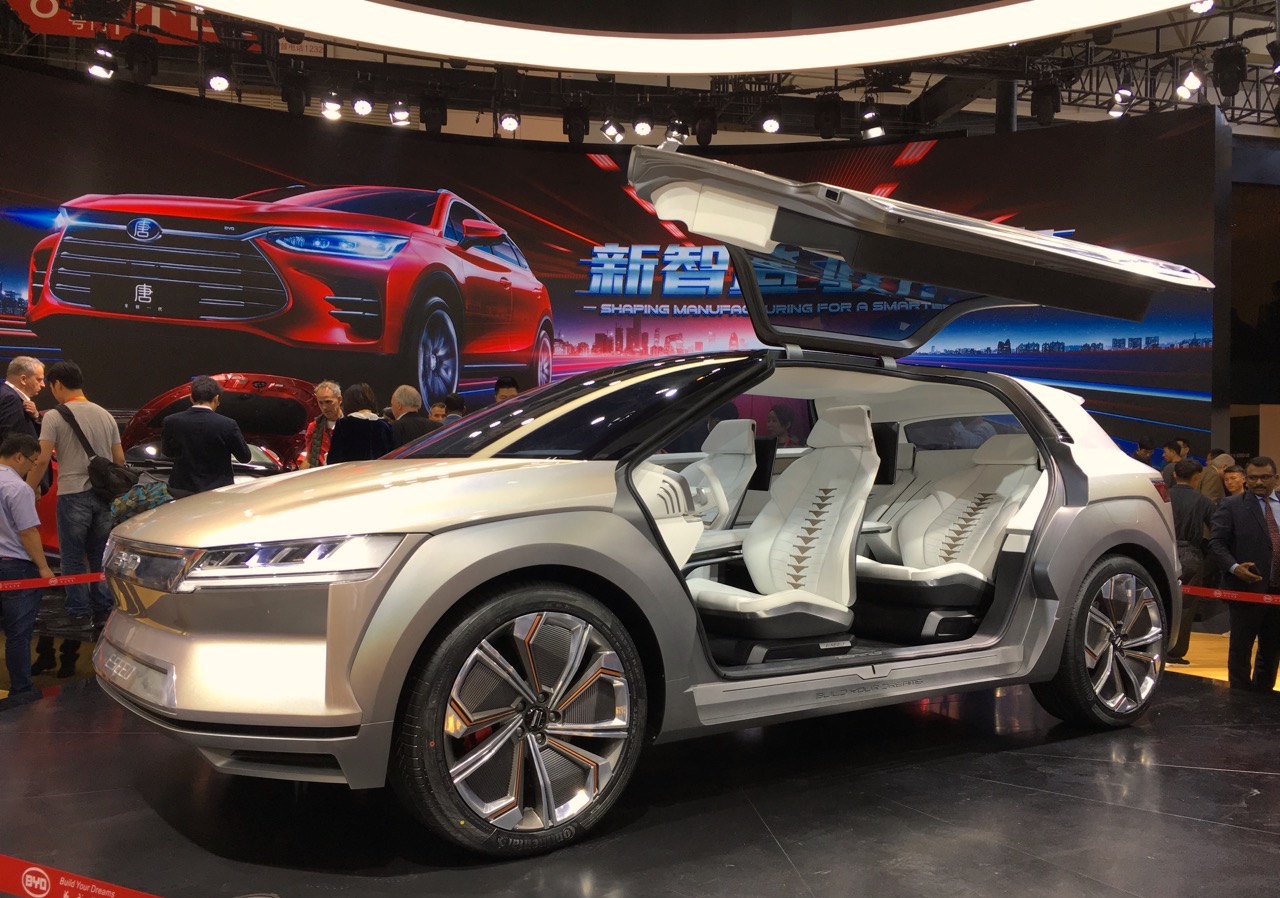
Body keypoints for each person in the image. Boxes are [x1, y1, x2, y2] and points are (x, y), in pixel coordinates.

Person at [26, 361, 122, 635]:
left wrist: (27, 488)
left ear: (57, 384)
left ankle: (78, 611)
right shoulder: (105, 415)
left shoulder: (55, 416)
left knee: (71, 557)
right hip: (103, 496)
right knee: (98, 555)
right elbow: (119, 459)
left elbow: (42, 458)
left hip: (72, 494)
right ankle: (102, 610)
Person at [1206, 456, 1280, 691]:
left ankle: (1264, 697)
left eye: (1265, 477)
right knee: (1240, 649)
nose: (1259, 482)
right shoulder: (1232, 505)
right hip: (1245, 590)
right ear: (1246, 479)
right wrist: (1235, 568)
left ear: (1276, 478)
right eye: (1253, 477)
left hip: (1277, 593)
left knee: (1272, 650)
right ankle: (1238, 701)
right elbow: (1216, 544)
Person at [0, 433, 55, 710]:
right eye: (32, 462)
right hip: (15, 567)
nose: (32, 468)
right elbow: (28, 532)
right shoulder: (17, 488)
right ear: (18, 456)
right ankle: (21, 692)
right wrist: (44, 568)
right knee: (18, 635)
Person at [161, 376, 251, 493]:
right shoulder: (228, 424)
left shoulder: (171, 421)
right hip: (217, 492)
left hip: (181, 490)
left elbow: (167, 452)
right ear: (216, 398)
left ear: (191, 398)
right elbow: (244, 457)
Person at [1167, 459, 1214, 665]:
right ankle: (1176, 651)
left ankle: (1153, 645)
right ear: (1197, 477)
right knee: (1186, 606)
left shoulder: (1162, 495)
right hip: (1190, 555)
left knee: (1159, 599)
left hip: (1162, 550)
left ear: (1174, 475)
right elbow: (1217, 529)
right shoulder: (1203, 501)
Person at [327, 383, 395, 463]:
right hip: (379, 470)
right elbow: (391, 456)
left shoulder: (344, 425)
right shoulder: (384, 425)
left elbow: (334, 458)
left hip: (352, 470)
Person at [300, 380, 342, 468]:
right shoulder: (314, 427)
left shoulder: (353, 424)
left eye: (328, 402)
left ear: (339, 399)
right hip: (323, 473)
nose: (324, 407)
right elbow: (309, 459)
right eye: (320, 402)